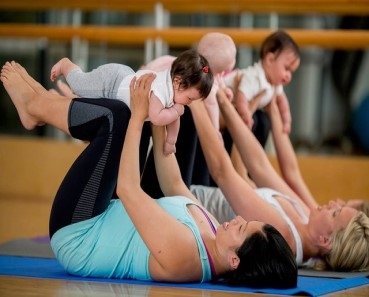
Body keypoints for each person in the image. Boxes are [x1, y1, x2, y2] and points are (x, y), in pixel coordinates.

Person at [1, 61, 298, 288]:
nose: (236, 219)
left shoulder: (188, 258)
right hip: (105, 210)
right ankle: (41, 103)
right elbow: (173, 183)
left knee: (118, 117)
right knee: (131, 109)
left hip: (79, 232)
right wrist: (160, 106)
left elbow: (129, 189)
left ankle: (35, 106)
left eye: (242, 229)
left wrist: (140, 114)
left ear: (236, 260)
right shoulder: (213, 232)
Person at [187, 81, 369, 272]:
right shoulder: (305, 217)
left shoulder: (283, 236)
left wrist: (198, 98)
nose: (333, 203)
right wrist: (230, 103)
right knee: (257, 119)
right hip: (203, 184)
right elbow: (260, 167)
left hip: (187, 196)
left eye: (335, 213)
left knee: (188, 108)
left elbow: (223, 172)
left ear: (324, 240)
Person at [50, 49, 214, 155]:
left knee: (90, 107)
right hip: (111, 83)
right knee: (80, 85)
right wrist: (176, 112)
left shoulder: (174, 92)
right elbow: (156, 117)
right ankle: (67, 66)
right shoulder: (161, 90)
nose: (190, 103)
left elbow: (173, 121)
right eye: (190, 98)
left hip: (123, 83)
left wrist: (171, 141)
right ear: (178, 82)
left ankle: (69, 98)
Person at [223, 30, 300, 134]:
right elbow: (242, 96)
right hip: (224, 98)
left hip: (244, 108)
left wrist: (287, 121)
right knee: (255, 121)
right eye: (286, 69)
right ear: (270, 59)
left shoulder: (275, 84)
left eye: (291, 72)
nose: (288, 76)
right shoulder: (254, 77)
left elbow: (283, 103)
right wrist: (245, 114)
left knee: (263, 122)